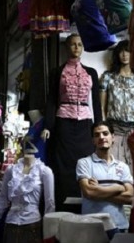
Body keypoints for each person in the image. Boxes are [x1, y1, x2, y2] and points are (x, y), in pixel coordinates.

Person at [41, 33, 102, 212]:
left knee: (85, 160)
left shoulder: (91, 73)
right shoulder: (57, 72)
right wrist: (48, 126)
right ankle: (62, 205)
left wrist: (99, 126)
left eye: (80, 45)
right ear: (67, 47)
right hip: (63, 122)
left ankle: (85, 201)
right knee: (63, 163)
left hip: (85, 123)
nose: (76, 48)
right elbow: (52, 99)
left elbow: (96, 101)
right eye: (73, 44)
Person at [100, 39, 134, 172]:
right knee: (114, 169)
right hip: (116, 129)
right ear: (117, 55)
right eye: (122, 51)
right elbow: (101, 106)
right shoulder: (108, 77)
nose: (125, 55)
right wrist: (103, 125)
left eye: (128, 51)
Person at [0, 141, 55, 242]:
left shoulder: (44, 171)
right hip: (11, 225)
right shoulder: (11, 170)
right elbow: (3, 198)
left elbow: (50, 203)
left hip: (32, 225)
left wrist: (49, 230)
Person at [76, 121, 134, 237]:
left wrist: (99, 190)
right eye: (97, 135)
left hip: (119, 226)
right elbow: (89, 192)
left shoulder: (123, 167)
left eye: (105, 133)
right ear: (93, 140)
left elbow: (129, 197)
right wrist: (118, 187)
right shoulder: (84, 163)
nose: (101, 137)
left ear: (113, 137)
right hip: (92, 227)